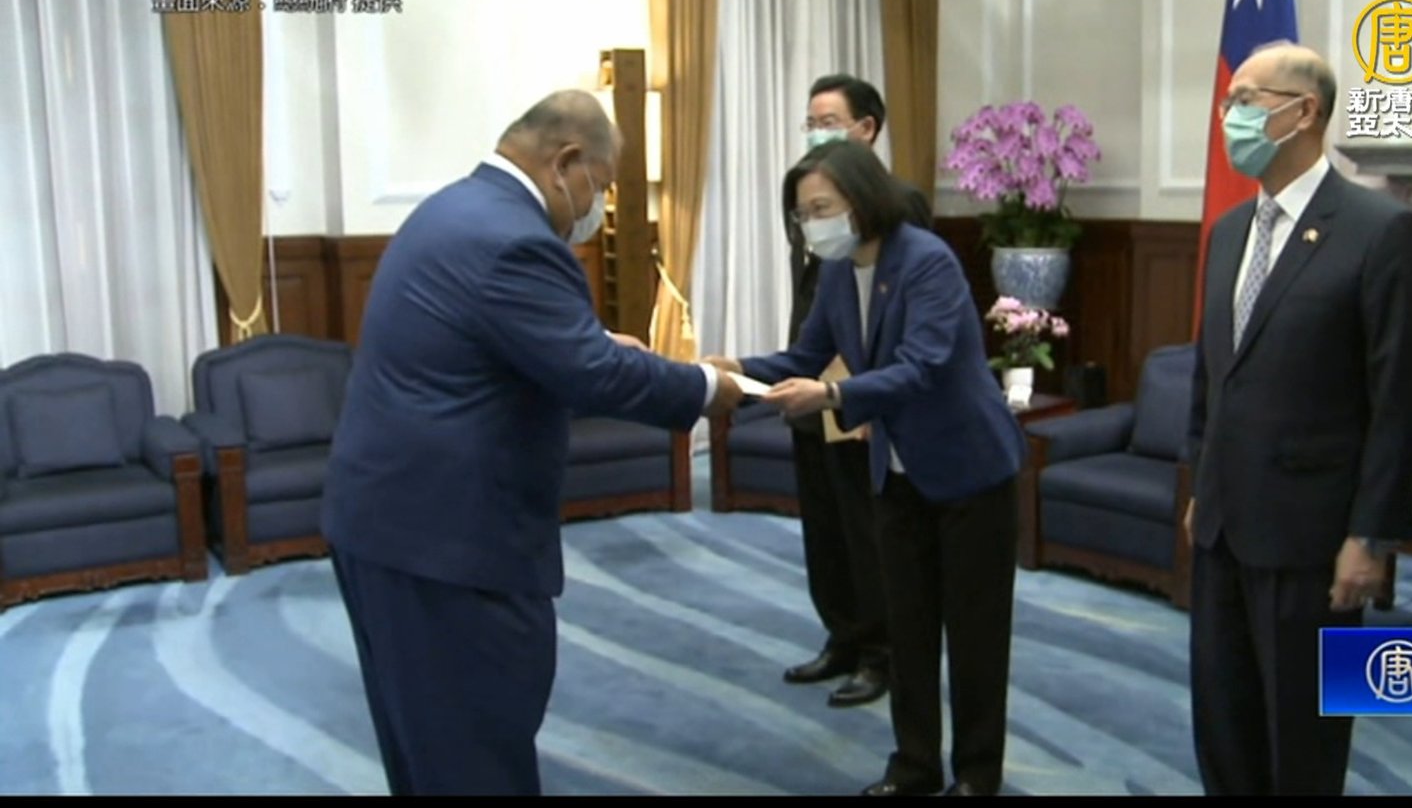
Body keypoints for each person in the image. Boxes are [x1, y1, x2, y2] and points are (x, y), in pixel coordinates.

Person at [321, 90, 743, 796]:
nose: (596, 206)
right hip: (449, 549)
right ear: (565, 163)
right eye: (601, 185)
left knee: (425, 747)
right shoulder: (518, 241)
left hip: (386, 525)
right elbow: (595, 375)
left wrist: (592, 342)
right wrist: (704, 385)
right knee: (476, 753)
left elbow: (491, 340)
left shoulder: (453, 209)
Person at [705, 139, 1027, 796]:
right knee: (908, 630)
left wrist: (832, 395)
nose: (811, 225)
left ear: (861, 199)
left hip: (970, 473)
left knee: (974, 638)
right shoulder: (835, 272)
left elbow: (921, 366)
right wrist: (737, 369)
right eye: (802, 214)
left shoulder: (926, 260)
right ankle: (914, 767)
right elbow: (805, 357)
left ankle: (976, 776)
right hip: (896, 476)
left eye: (821, 208)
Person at [1184, 41, 1412, 795]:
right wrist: (1199, 481)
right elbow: (1212, 374)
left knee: (1303, 737)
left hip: (1313, 540)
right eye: (1229, 101)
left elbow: (1399, 401)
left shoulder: (1382, 230)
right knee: (1222, 723)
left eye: (1247, 101)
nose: (1230, 116)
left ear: (1305, 113)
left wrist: (1371, 535)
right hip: (1223, 527)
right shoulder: (1230, 230)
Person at [780, 74, 933, 709]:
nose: (818, 133)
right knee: (825, 526)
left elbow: (893, 316)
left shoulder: (898, 203)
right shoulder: (808, 195)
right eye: (811, 122)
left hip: (858, 390)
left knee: (868, 530)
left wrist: (868, 398)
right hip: (812, 380)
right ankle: (841, 635)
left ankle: (881, 652)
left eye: (830, 121)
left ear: (867, 128)